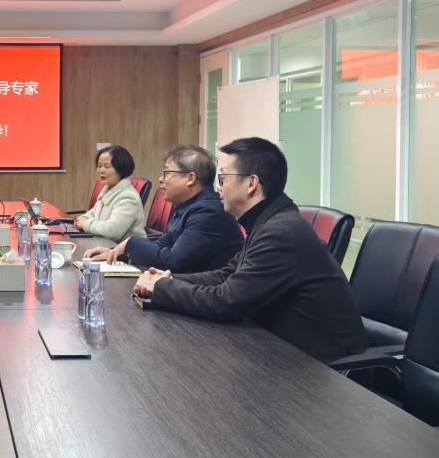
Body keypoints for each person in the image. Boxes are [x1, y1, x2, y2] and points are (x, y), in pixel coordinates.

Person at [133, 137, 367, 362]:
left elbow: (226, 302)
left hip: (323, 369)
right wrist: (169, 278)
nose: (218, 189)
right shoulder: (269, 222)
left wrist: (163, 287)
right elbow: (227, 274)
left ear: (251, 184)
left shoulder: (280, 232)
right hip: (282, 349)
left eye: (223, 179)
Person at [85, 144, 244, 274]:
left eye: (167, 173)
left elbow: (174, 262)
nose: (161, 179)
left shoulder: (208, 213)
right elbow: (163, 245)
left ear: (190, 178)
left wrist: (130, 243)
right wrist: (117, 253)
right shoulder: (188, 206)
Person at [72, 145, 146, 248]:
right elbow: (94, 212)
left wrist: (85, 224)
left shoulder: (128, 197)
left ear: (121, 168)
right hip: (106, 247)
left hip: (126, 254)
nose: (101, 170)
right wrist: (84, 217)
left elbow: (112, 231)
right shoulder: (108, 189)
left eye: (107, 166)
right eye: (99, 166)